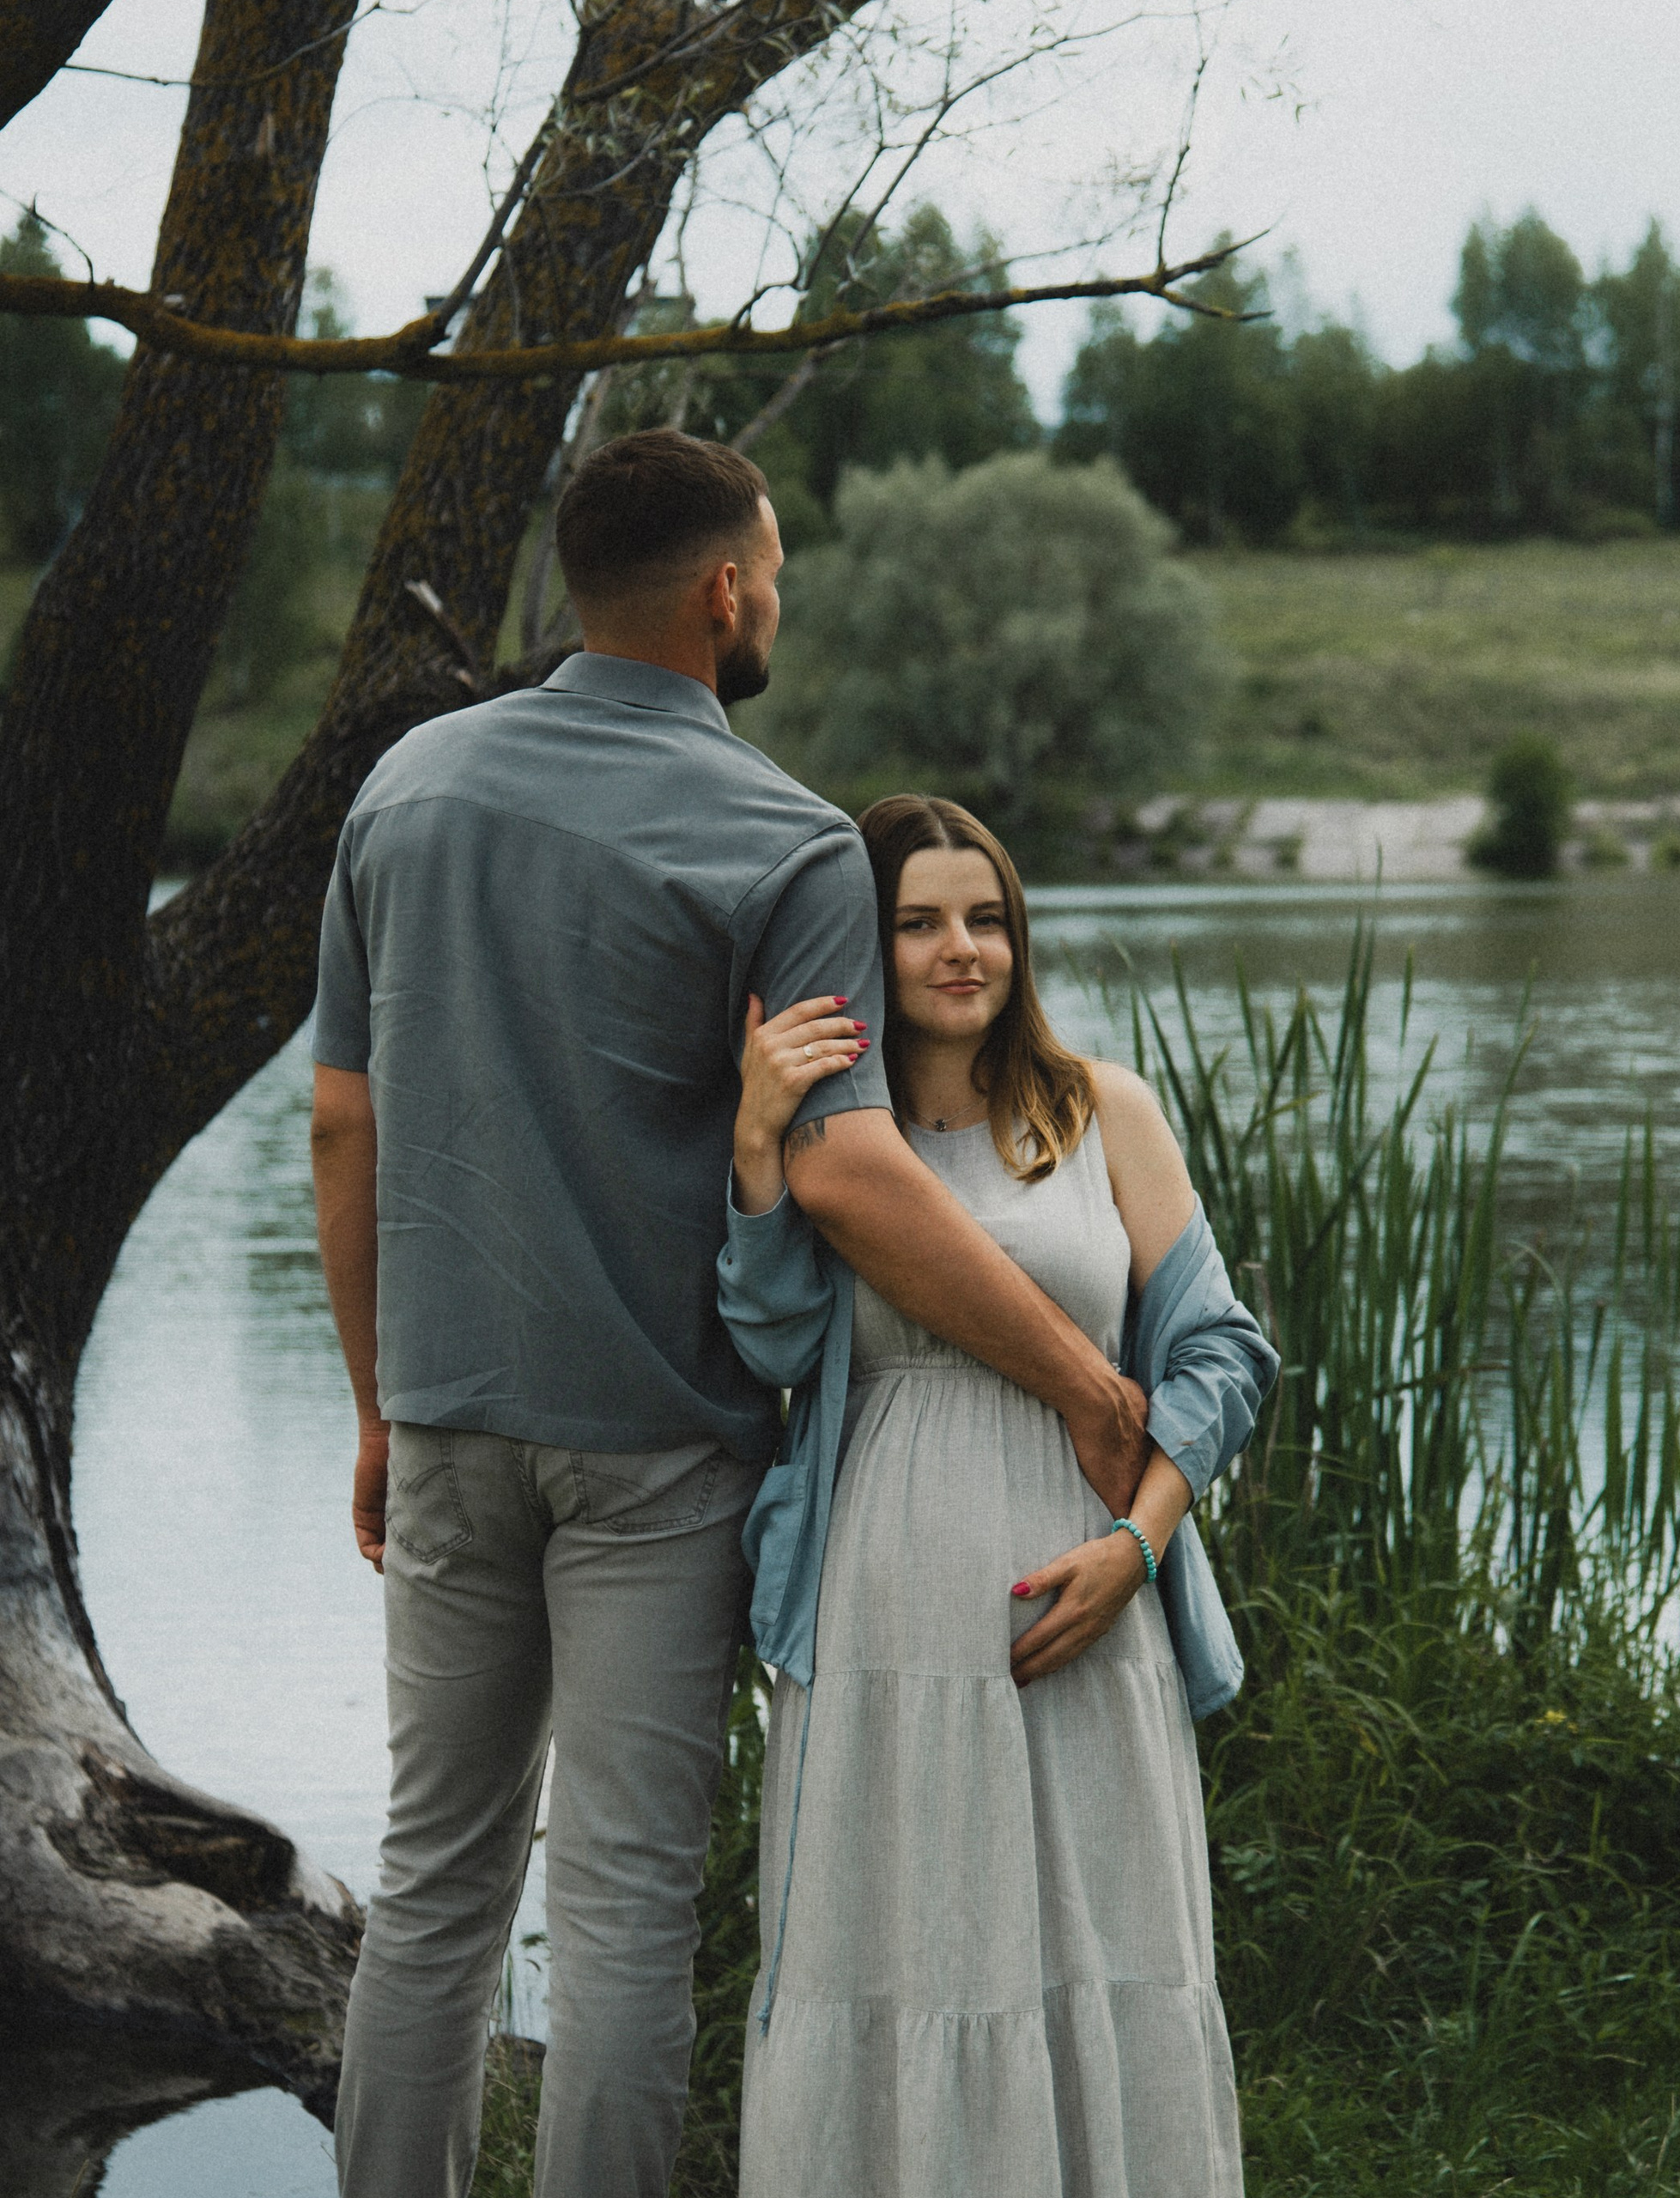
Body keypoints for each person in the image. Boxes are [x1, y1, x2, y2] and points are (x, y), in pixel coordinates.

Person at [310, 431, 1149, 2198]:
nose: (778, 592)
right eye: (772, 563)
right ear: (721, 590)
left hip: (449, 1423)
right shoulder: (780, 837)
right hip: (658, 1451)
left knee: (434, 1877)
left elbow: (342, 1119)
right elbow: (845, 1174)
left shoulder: (403, 790)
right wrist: (1079, 1367)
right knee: (619, 1902)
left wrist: (381, 1406)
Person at [717, 793, 1279, 2198]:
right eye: (918, 923)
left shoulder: (1101, 1113)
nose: (960, 949)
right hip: (886, 1586)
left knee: (1101, 1929)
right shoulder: (842, 1145)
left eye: (987, 919)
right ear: (864, 941)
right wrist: (753, 1151)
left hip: (1084, 1582)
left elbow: (1223, 1353)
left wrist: (1136, 1550)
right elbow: (773, 1343)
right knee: (903, 1938)